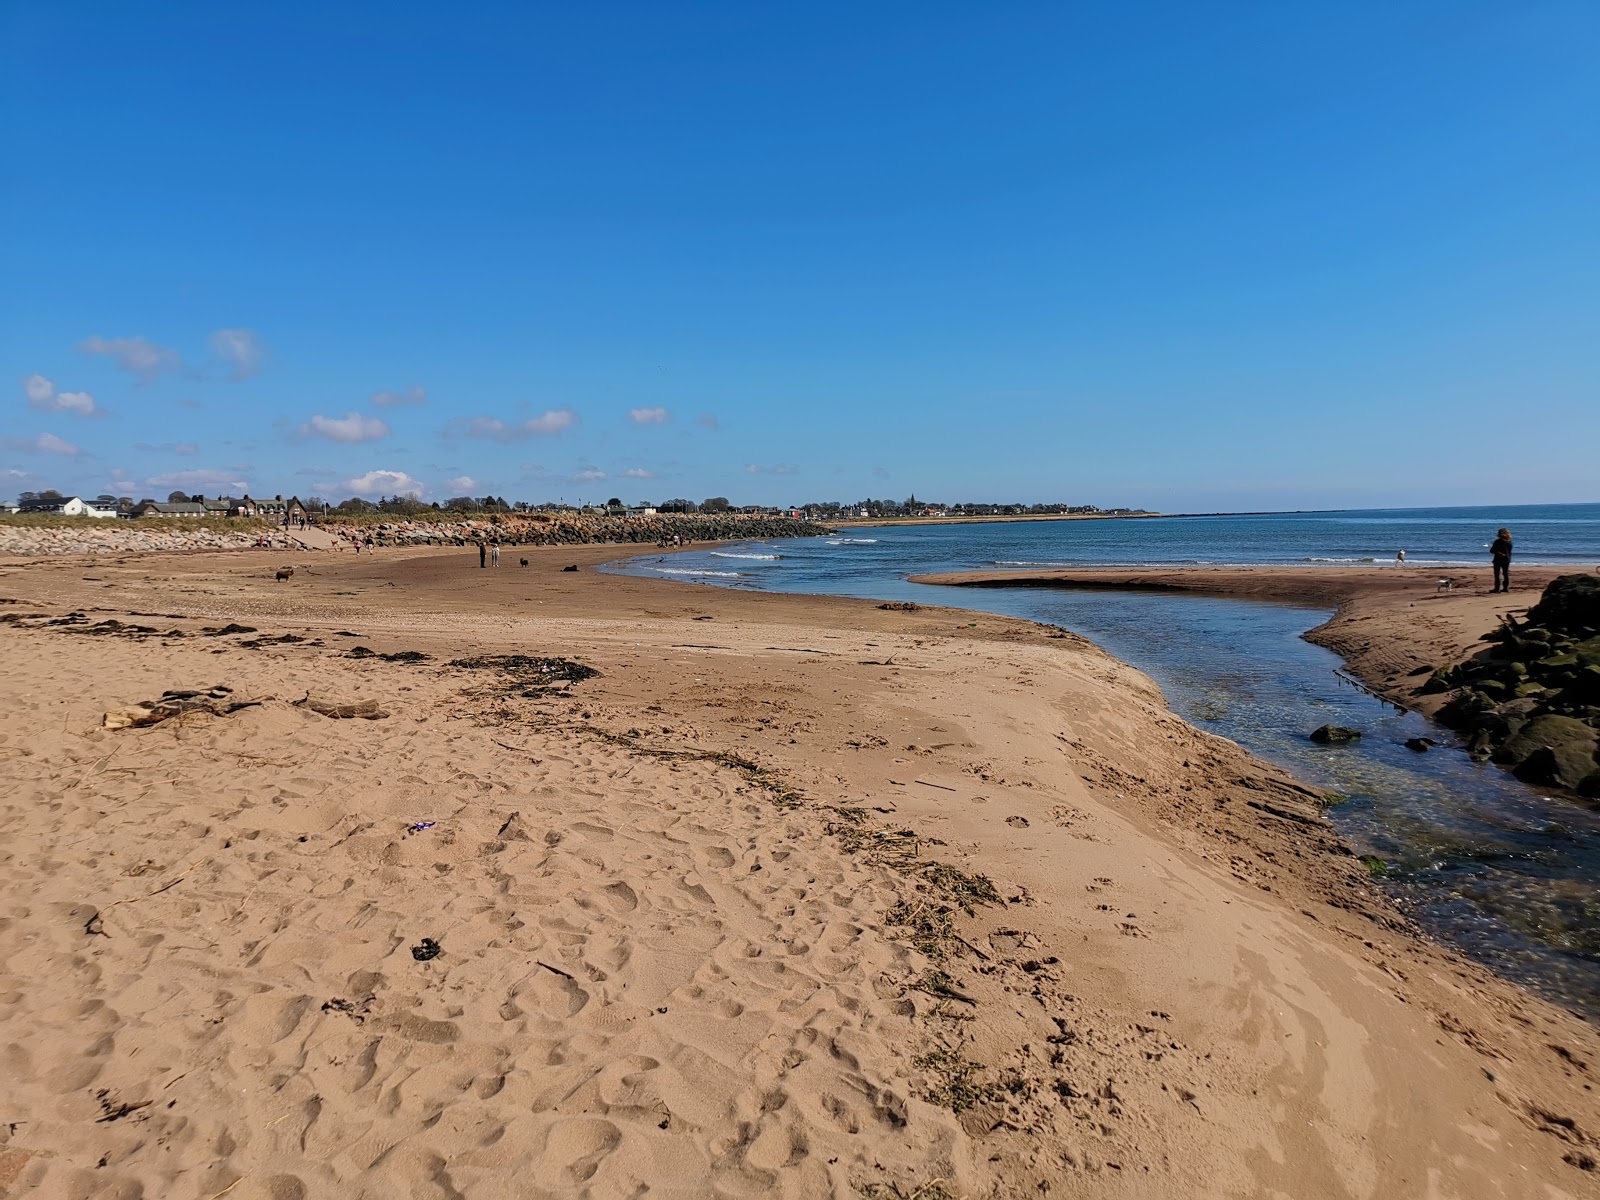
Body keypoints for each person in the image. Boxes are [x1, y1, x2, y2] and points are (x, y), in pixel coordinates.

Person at [1490, 528, 1513, 593]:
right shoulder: (1509, 542)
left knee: (1497, 574)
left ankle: (1497, 588)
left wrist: (1498, 552)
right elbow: (1509, 551)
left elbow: (1492, 551)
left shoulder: (1497, 542)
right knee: (1505, 574)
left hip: (1497, 560)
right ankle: (1505, 588)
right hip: (1506, 560)